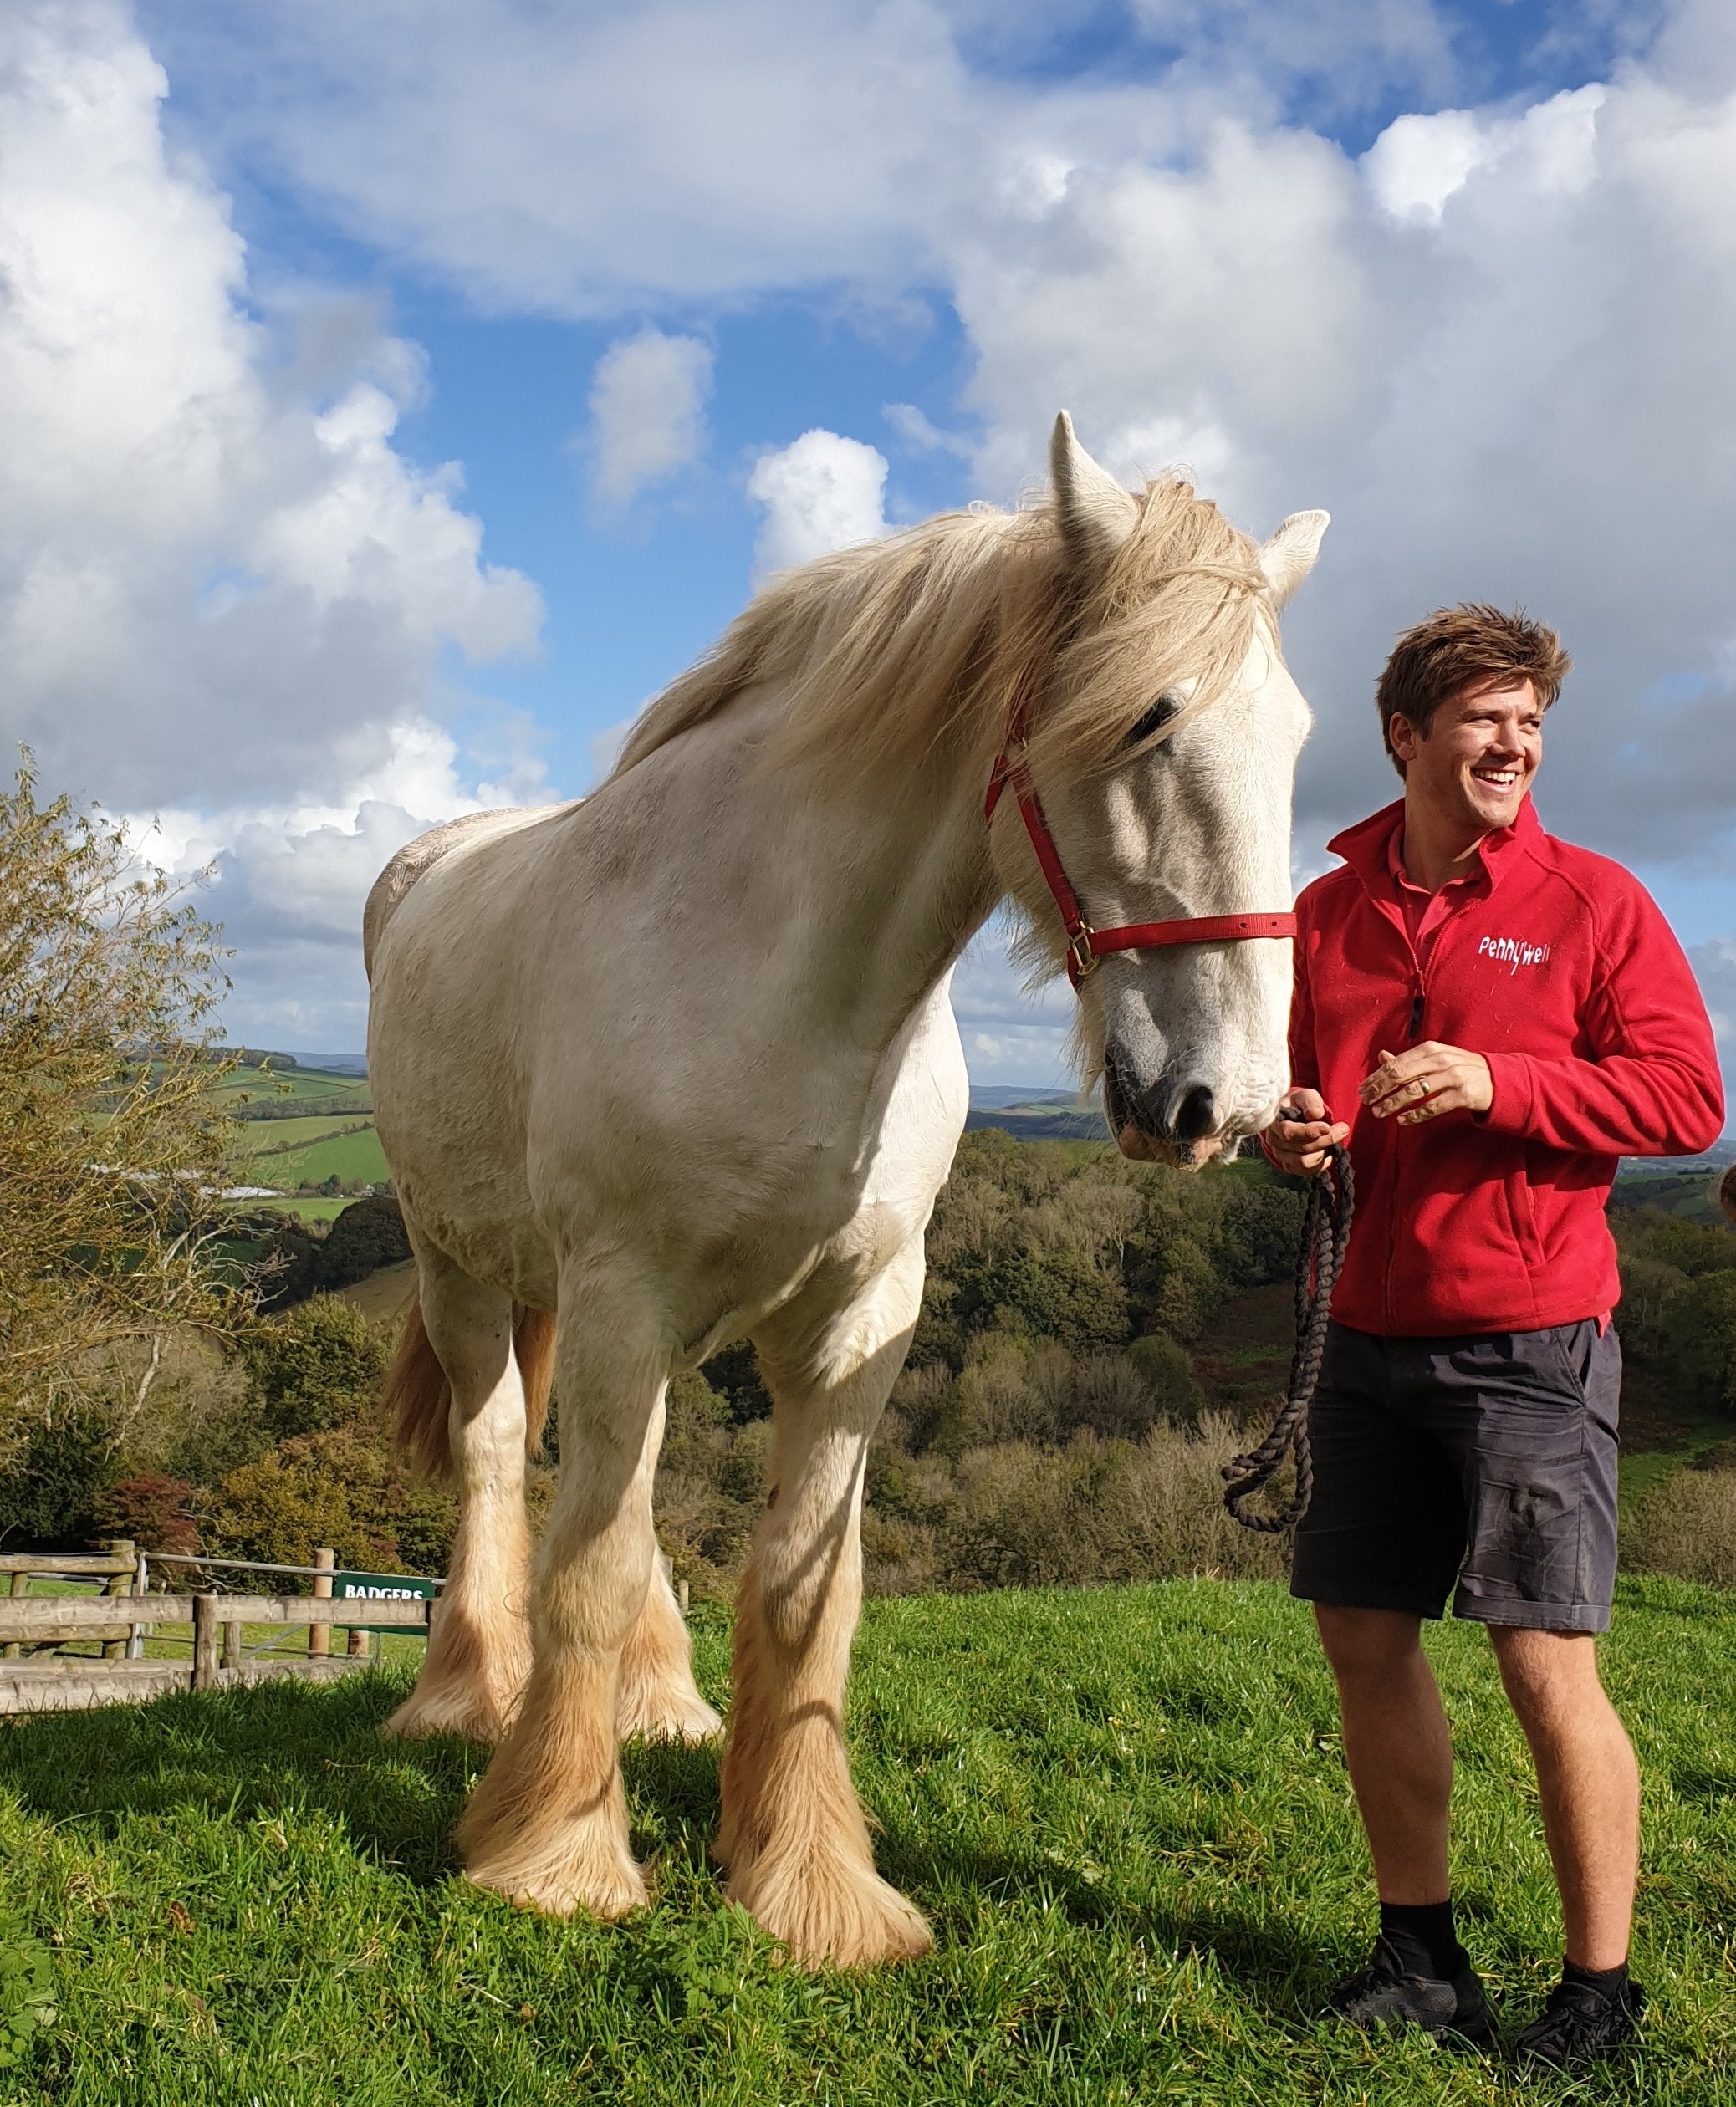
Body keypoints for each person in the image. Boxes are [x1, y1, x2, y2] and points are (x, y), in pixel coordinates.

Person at [1265, 604, 1724, 2069]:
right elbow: (1298, 1088)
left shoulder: (1595, 900)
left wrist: (1499, 1081)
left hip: (1530, 1338)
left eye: (1530, 722)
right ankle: (1422, 1958)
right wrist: (1297, 1134)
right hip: (1364, 1334)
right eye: (1484, 718)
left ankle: (1601, 1992)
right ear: (1405, 737)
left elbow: (1684, 1101)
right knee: (1362, 1639)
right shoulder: (1323, 914)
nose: (1515, 744)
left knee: (1544, 1661)